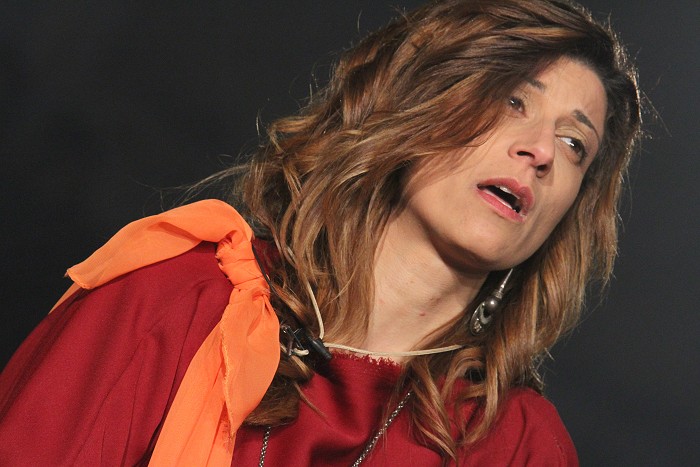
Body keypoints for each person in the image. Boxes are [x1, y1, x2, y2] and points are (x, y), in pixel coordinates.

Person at [0, 0, 641, 465]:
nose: (541, 152)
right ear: (415, 103)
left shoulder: (521, 446)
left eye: (574, 144)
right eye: (513, 102)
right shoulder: (174, 303)